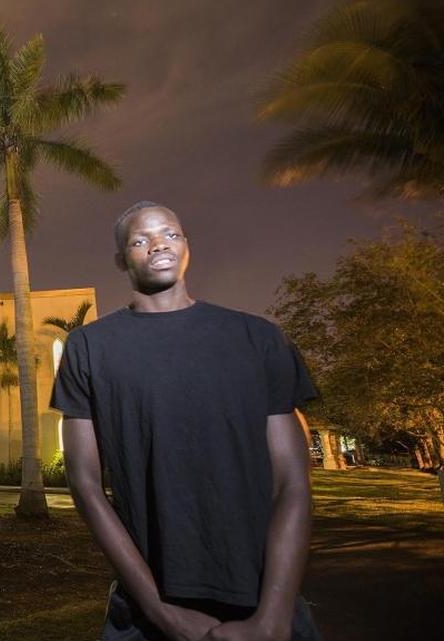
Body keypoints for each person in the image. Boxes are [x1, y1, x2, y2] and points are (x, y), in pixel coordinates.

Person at [52, 202, 323, 641]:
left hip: (265, 598)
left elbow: (292, 482)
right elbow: (85, 486)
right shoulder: (89, 348)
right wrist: (160, 610)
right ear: (122, 258)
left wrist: (272, 617)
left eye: (170, 234)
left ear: (186, 245)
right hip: (147, 611)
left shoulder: (258, 338)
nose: (158, 244)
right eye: (140, 240)